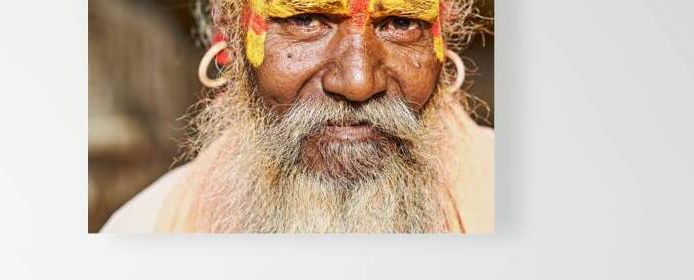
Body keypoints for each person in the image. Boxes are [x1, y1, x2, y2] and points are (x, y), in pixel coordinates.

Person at [102, 0, 494, 234]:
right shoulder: (141, 230)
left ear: (447, 39)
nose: (358, 83)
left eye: (401, 22)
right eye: (304, 19)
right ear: (229, 31)